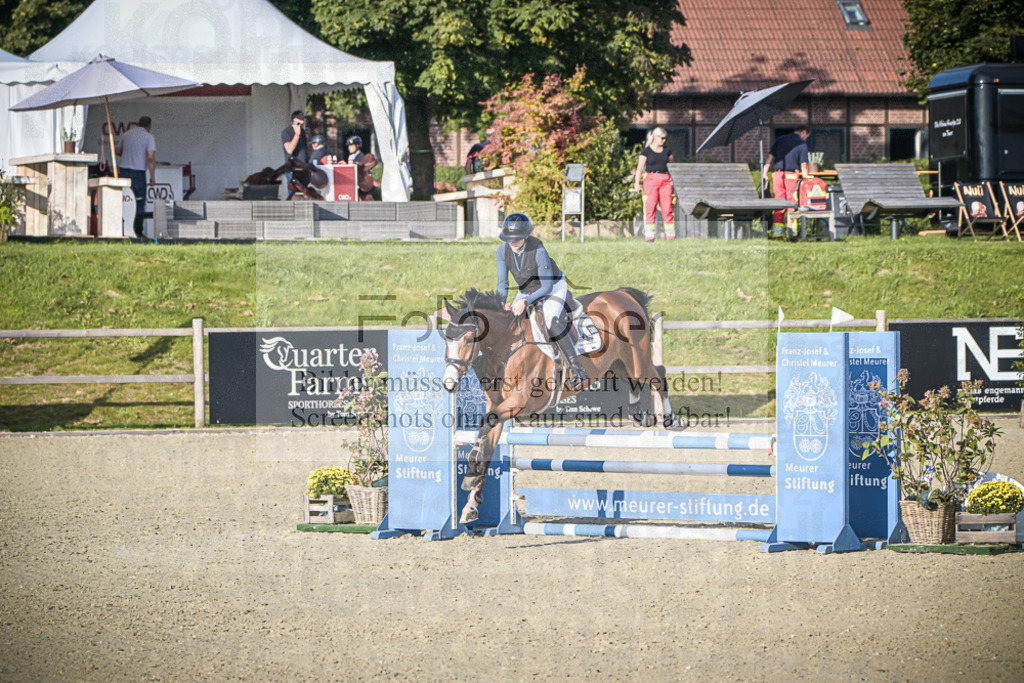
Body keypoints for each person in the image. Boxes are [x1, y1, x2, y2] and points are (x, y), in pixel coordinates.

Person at [496, 212, 587, 388]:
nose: (512, 242)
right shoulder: (502, 250)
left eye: (516, 238)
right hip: (527, 288)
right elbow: (502, 283)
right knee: (510, 321)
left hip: (552, 286)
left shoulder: (538, 250)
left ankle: (577, 370)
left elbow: (545, 287)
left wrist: (525, 302)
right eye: (509, 238)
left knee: (551, 320)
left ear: (527, 235)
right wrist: (501, 303)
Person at [762, 125, 810, 238]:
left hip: (777, 175)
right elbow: (804, 165)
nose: (806, 138)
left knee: (778, 205)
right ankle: (792, 234)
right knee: (791, 205)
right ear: (804, 132)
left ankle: (776, 235)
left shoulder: (780, 139)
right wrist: (807, 181)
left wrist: (764, 173)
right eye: (807, 136)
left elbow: (769, 157)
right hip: (792, 176)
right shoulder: (802, 144)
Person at [632, 127, 676, 241]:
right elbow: (640, 168)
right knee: (650, 208)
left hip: (665, 180)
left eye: (665, 138)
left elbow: (673, 167)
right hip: (650, 180)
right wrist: (637, 183)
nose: (664, 141)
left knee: (667, 208)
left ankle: (670, 235)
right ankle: (649, 235)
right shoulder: (646, 151)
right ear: (655, 137)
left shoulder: (667, 151)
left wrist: (673, 180)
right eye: (662, 138)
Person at [117, 115, 156, 239]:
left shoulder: (126, 134)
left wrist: (128, 153)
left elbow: (117, 151)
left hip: (123, 170)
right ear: (149, 126)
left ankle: (122, 229)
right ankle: (138, 232)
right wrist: (152, 176)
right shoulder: (149, 137)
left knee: (124, 200)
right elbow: (150, 157)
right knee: (139, 201)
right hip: (138, 172)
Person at [346, 135, 378, 201]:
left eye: (351, 145)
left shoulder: (362, 158)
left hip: (362, 186)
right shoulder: (352, 157)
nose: (349, 147)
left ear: (357, 145)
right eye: (349, 146)